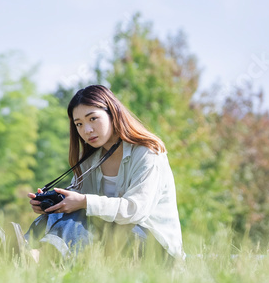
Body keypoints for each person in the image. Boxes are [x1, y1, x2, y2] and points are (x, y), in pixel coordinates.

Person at [20, 85, 186, 262]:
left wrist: (84, 202)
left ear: (113, 113)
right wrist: (53, 202)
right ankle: (18, 251)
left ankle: (38, 258)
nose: (87, 130)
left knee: (85, 211)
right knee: (59, 212)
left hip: (157, 249)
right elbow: (77, 201)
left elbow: (135, 211)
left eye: (93, 118)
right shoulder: (91, 160)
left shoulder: (148, 153)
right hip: (112, 237)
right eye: (79, 124)